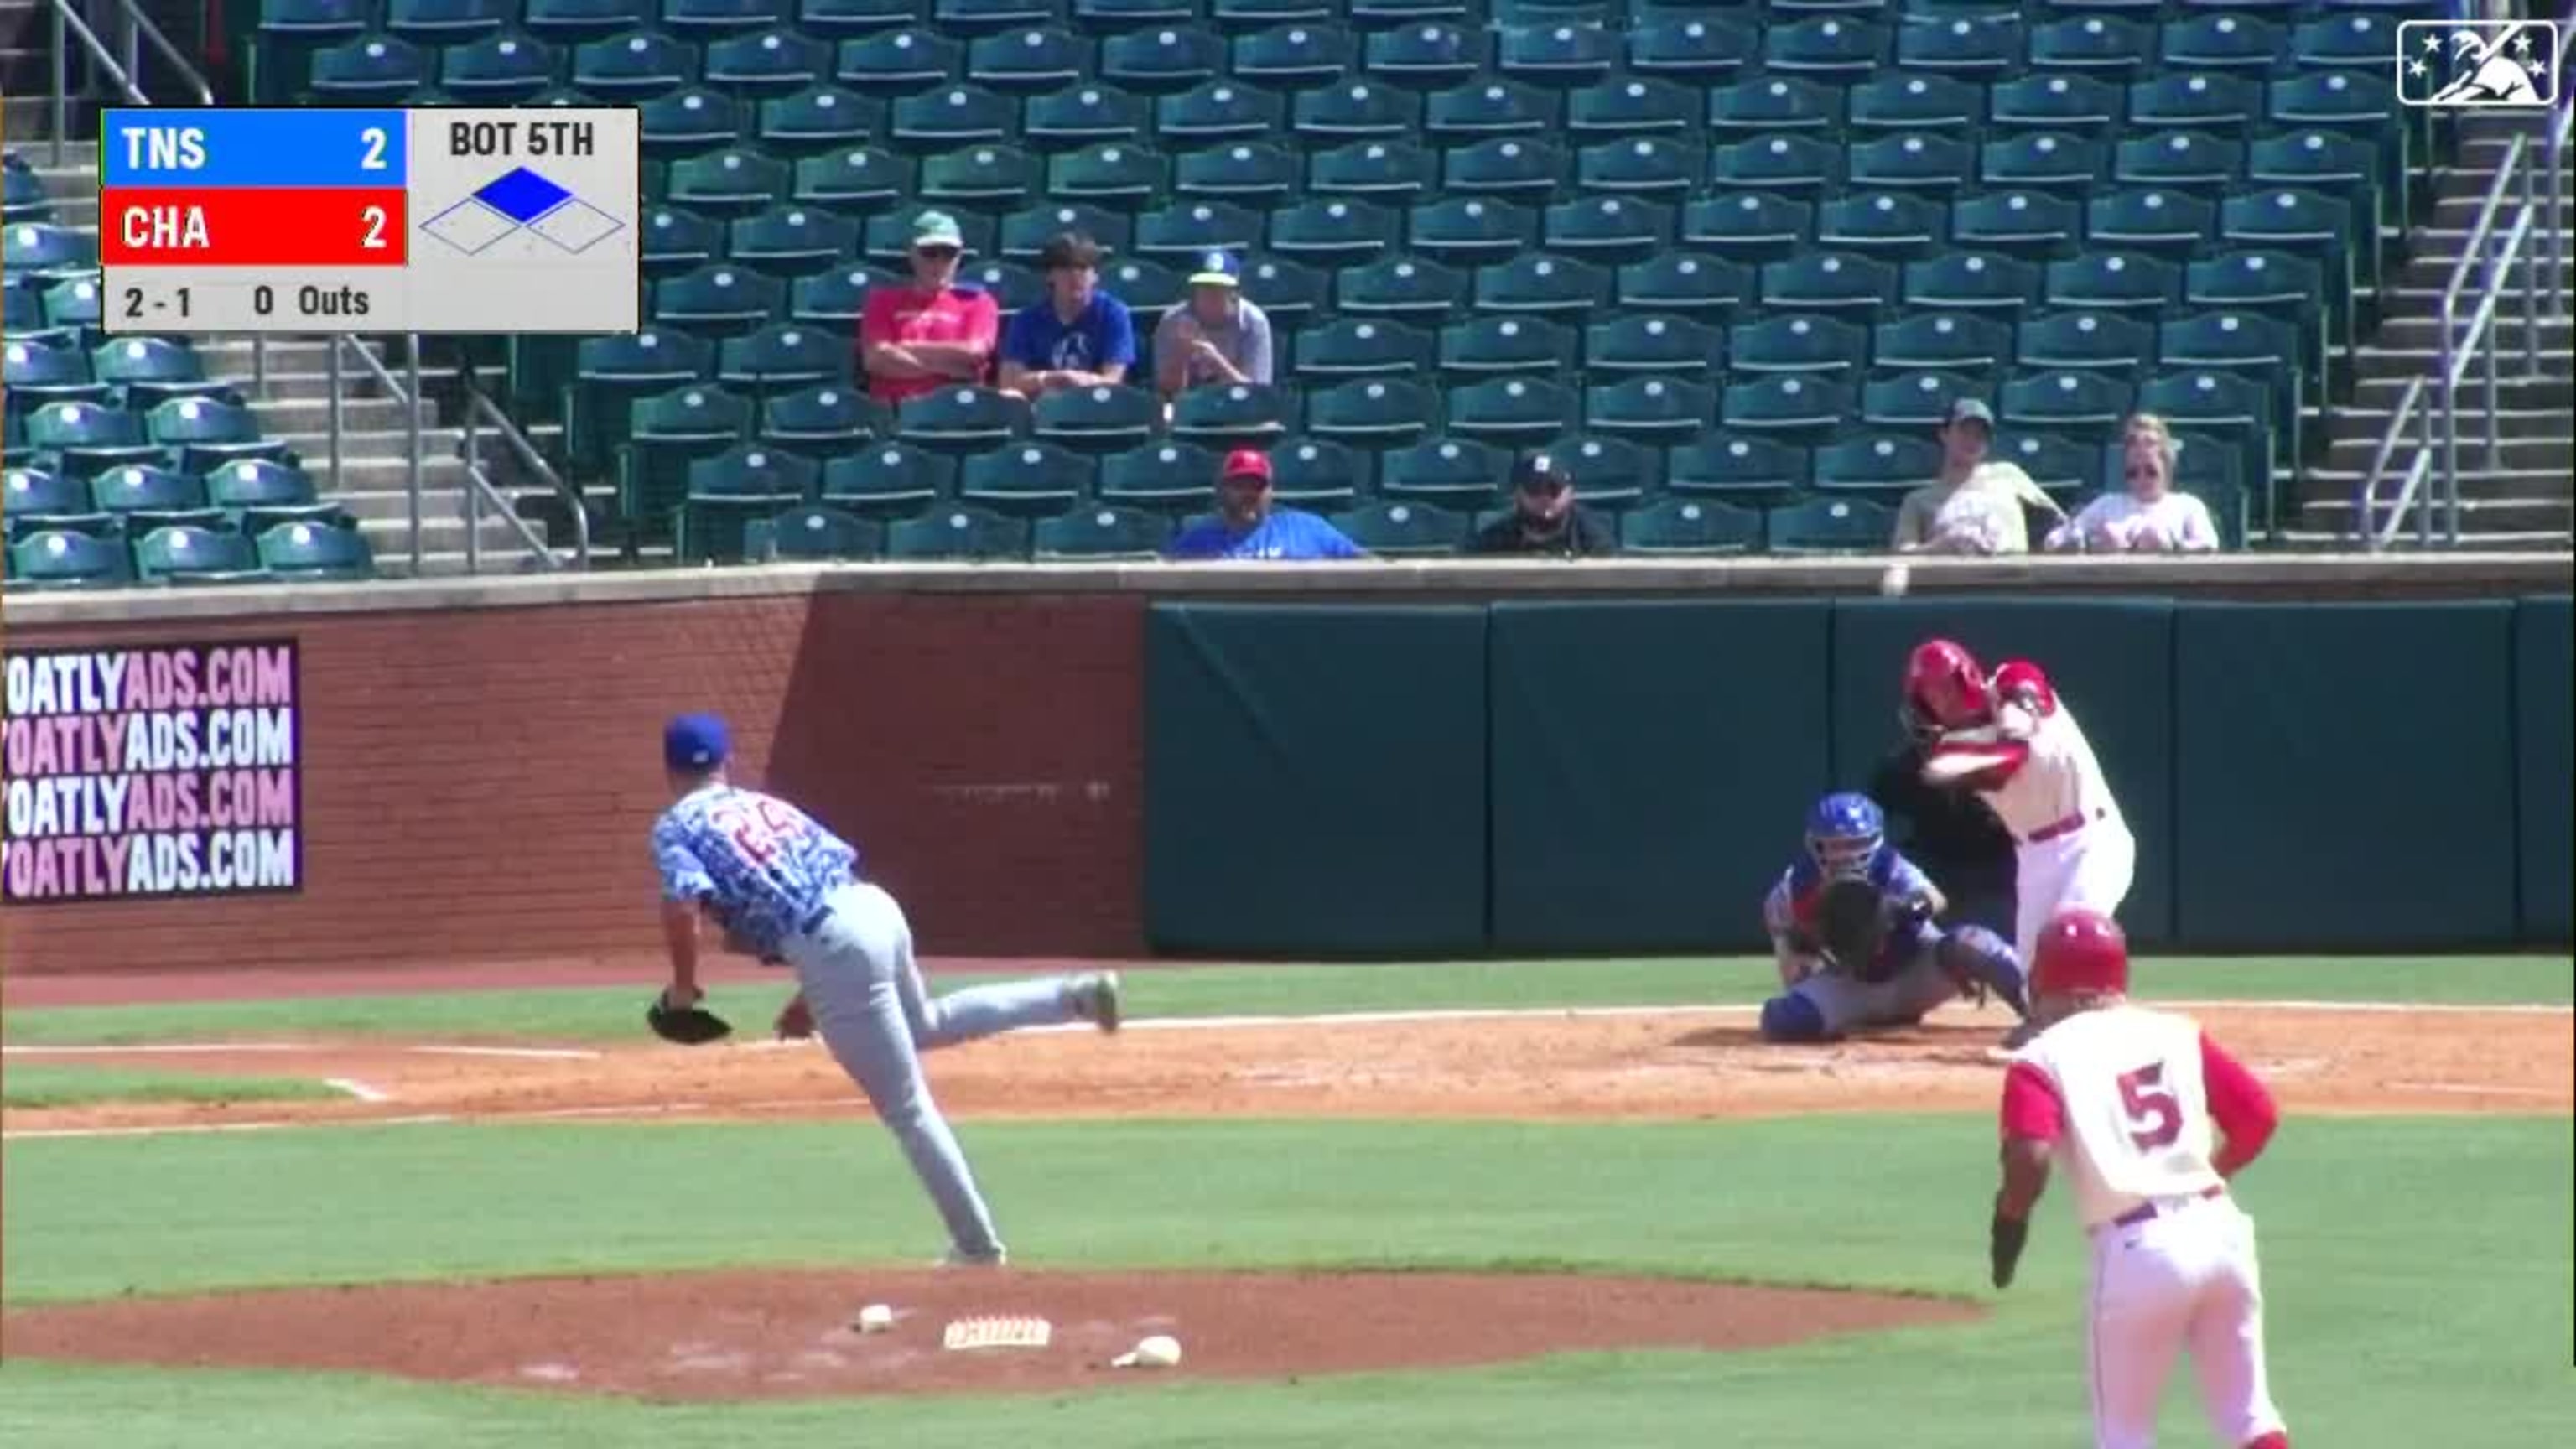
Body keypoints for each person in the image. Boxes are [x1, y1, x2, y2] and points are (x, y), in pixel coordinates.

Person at [648, 712, 1122, 1268]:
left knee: (908, 1109)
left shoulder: (675, 827)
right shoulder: (764, 805)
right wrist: (815, 993)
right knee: (925, 1023)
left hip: (832, 944)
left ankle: (977, 1248)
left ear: (667, 769)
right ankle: (1077, 996)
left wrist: (684, 988)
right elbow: (823, 882)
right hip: (874, 909)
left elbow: (683, 905)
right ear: (727, 761)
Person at [1990, 909, 2290, 1449]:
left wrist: (2009, 1219)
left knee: (2124, 1433)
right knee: (2249, 1416)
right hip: (2221, 1230)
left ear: (2044, 979)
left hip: (2139, 1250)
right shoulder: (2176, 1033)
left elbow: (2030, 1159)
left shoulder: (2040, 1057)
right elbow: (2257, 1116)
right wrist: (2205, 1177)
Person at [1904, 637, 2137, 971]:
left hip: (2093, 840)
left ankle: (2102, 1017)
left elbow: (2026, 682)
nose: (1939, 702)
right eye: (1929, 695)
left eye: (1943, 689)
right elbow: (2010, 761)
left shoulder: (2006, 679)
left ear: (1966, 679)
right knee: (2035, 983)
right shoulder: (1952, 747)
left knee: (2071, 941)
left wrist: (2019, 711)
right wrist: (2010, 737)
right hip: (2034, 858)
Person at [1757, 792, 2030, 1043]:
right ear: (1814, 844)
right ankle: (1861, 1016)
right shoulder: (1793, 889)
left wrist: (1896, 910)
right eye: (1832, 846)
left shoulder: (1892, 867)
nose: (1844, 854)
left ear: (1874, 841)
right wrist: (1811, 943)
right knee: (1785, 1020)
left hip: (1915, 974)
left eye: (1854, 844)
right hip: (1851, 986)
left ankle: (2039, 1012)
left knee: (1974, 944)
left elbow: (1935, 898)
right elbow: (1793, 969)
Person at [1868, 719, 2017, 943]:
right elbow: (1871, 819)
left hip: (1997, 868)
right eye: (1928, 736)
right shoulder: (1902, 769)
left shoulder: (2004, 763)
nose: (1941, 745)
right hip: (1934, 866)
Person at [858, 211, 1000, 405]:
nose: (939, 262)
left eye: (948, 254)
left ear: (959, 257)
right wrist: (946, 369)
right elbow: (876, 359)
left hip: (957, 408)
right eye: (930, 253)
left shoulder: (978, 302)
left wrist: (906, 348)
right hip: (895, 409)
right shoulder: (882, 301)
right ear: (912, 253)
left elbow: (974, 353)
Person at [1893, 398, 2065, 555]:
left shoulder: (2008, 475)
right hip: (1953, 580)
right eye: (1964, 431)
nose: (1972, 440)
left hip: (2014, 577)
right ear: (1944, 434)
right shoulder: (1918, 500)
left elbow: (2060, 527)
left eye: (1980, 434)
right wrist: (1940, 547)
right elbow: (1902, 554)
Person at [2046, 413, 2223, 553]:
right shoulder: (2107, 504)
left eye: (2151, 472)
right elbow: (2053, 541)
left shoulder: (2187, 505)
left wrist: (2172, 546)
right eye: (2133, 473)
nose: (2142, 479)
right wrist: (2090, 544)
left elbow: (2209, 544)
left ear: (2167, 466)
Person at [998, 231, 1136, 400]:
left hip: (1098, 403)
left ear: (1095, 276)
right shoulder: (1026, 319)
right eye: (1065, 267)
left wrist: (1076, 380)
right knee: (1010, 397)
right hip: (1043, 405)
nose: (1075, 275)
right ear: (1049, 274)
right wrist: (1051, 379)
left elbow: (1113, 380)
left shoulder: (1113, 313)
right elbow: (1008, 382)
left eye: (1083, 268)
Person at [1165, 447, 1366, 561]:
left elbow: (1367, 564)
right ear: (1221, 490)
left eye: (1258, 486)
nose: (1250, 493)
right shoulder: (1197, 541)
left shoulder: (1306, 528)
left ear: (1271, 492)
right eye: (1239, 485)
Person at [1152, 250, 1273, 399]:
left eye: (1219, 288)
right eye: (1205, 286)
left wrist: (1217, 362)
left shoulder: (1254, 321)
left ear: (1235, 292)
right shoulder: (1173, 320)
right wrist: (1181, 354)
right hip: (1190, 408)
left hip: (1239, 407)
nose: (1210, 294)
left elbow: (1258, 393)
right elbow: (1169, 393)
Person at [1469, 450, 1618, 557]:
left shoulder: (1594, 538)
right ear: (1517, 493)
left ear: (1570, 492)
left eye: (1554, 489)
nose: (1544, 498)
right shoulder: (1493, 539)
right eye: (1534, 489)